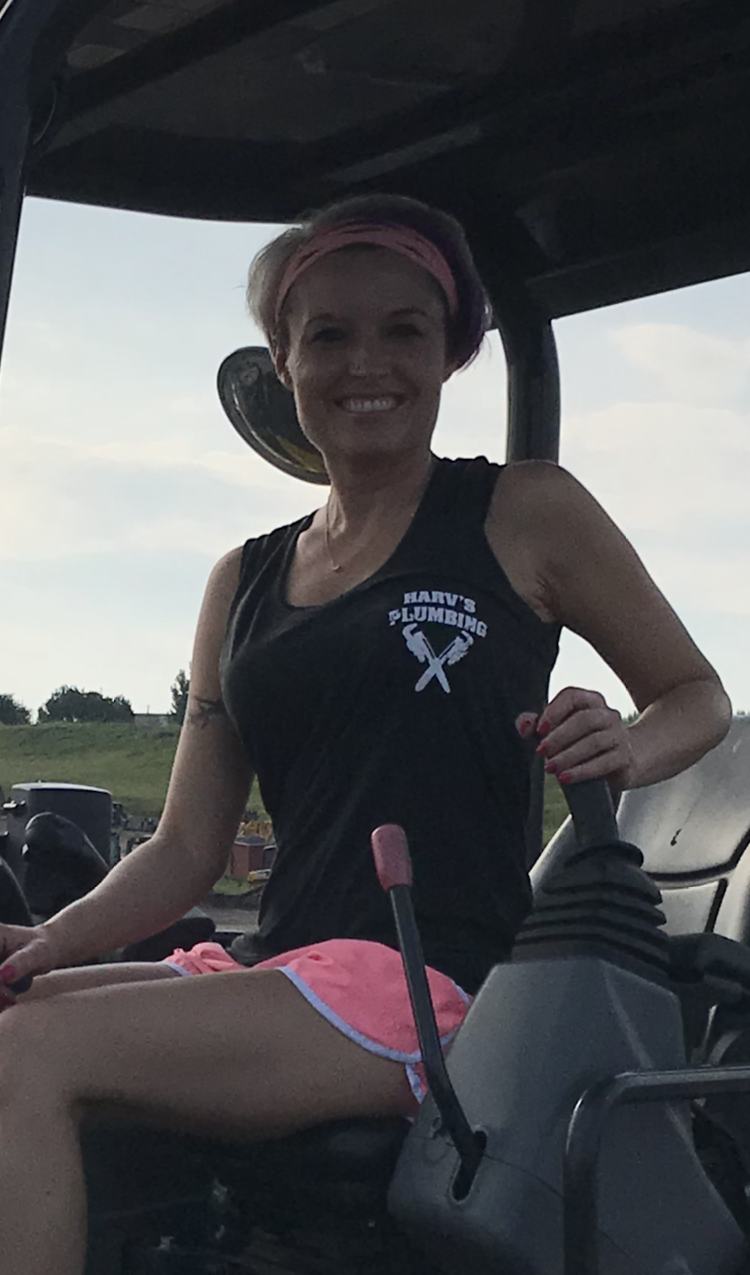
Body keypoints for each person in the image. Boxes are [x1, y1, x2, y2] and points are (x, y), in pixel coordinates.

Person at [0, 194, 731, 1275]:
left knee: (31, 1052)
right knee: (18, 1011)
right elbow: (188, 847)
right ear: (284, 361)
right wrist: (47, 943)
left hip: (434, 984)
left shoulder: (522, 512)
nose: (367, 363)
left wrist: (626, 746)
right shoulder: (242, 578)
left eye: (404, 330)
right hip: (279, 966)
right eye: (330, 335)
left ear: (449, 354)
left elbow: (694, 694)